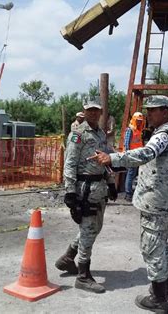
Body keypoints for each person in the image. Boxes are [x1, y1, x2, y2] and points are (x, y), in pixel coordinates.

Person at [89, 95, 168, 313]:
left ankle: (159, 299)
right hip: (165, 201)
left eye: (153, 110)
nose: (148, 114)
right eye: (147, 110)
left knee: (151, 247)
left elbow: (147, 153)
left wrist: (113, 158)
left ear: (165, 112)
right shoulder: (166, 133)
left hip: (157, 203)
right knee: (162, 243)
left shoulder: (164, 134)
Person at [55, 96, 118, 294]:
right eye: (89, 110)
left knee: (94, 227)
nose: (93, 113)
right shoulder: (78, 134)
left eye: (96, 110)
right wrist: (70, 193)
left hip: (99, 187)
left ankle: (68, 257)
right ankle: (83, 276)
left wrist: (111, 183)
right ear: (84, 110)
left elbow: (105, 161)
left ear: (100, 113)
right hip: (85, 188)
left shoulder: (101, 134)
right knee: (89, 229)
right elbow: (70, 163)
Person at [123, 112, 145, 201]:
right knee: (131, 173)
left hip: (137, 155)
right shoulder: (130, 129)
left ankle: (131, 192)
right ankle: (128, 193)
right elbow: (126, 143)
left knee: (134, 173)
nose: (139, 122)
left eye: (140, 121)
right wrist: (128, 154)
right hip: (132, 155)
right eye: (138, 120)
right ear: (134, 120)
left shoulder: (138, 130)